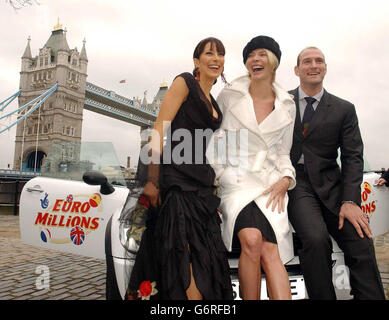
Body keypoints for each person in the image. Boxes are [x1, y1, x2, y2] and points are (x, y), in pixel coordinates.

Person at [127, 37, 233, 300]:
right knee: (185, 263)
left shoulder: (215, 103)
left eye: (220, 54)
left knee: (206, 263)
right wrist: (152, 181)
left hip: (202, 187)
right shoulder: (184, 82)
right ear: (196, 61)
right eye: (209, 53)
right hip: (177, 185)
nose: (215, 58)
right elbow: (158, 131)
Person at [287, 46, 386, 299]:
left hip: (333, 186)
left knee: (360, 240)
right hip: (297, 185)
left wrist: (350, 200)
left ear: (325, 68)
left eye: (319, 61)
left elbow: (353, 156)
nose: (314, 65)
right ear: (297, 70)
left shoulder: (344, 109)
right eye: (307, 61)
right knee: (316, 239)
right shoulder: (280, 103)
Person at [210, 36, 296, 300]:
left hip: (270, 185)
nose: (255, 60)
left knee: (271, 251)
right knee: (251, 239)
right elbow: (215, 141)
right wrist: (219, 176)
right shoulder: (229, 95)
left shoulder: (288, 105)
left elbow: (283, 153)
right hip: (236, 183)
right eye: (250, 56)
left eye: (262, 54)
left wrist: (285, 179)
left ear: (273, 61)